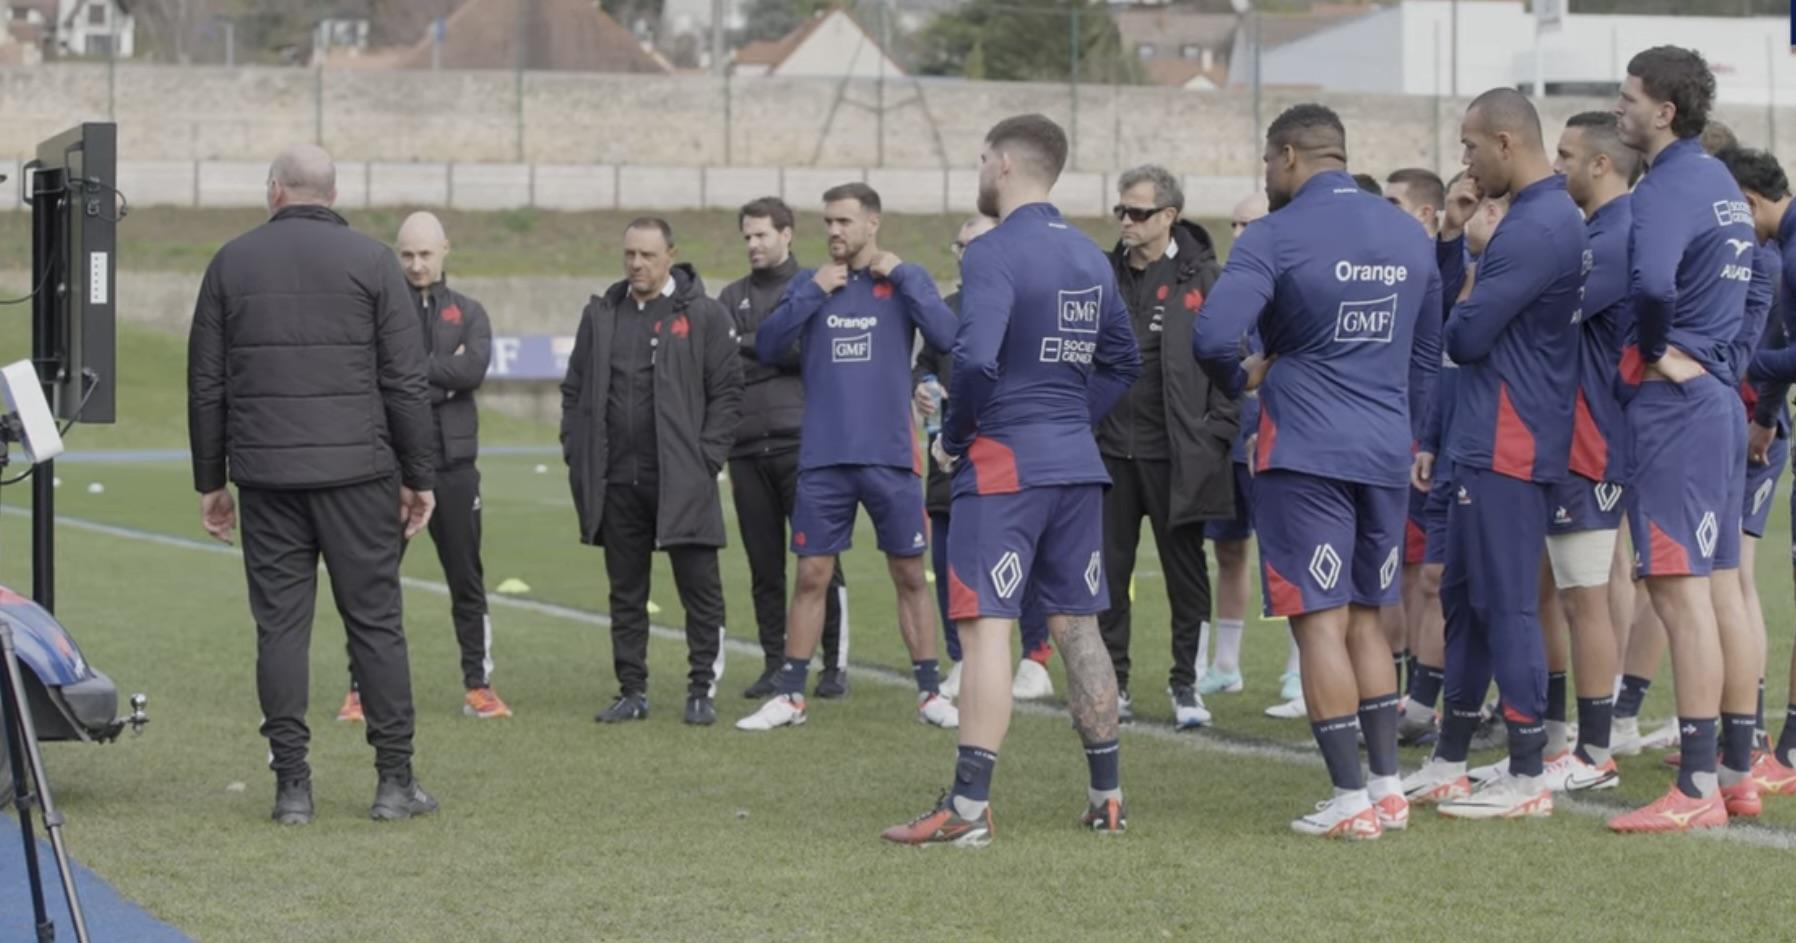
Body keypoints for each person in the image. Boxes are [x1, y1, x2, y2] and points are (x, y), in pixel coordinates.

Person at [881, 113, 1141, 845]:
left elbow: (975, 360)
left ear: (1001, 164)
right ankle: (1108, 795)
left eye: (980, 157)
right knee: (1077, 625)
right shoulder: (1092, 257)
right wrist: (1070, 419)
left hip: (1003, 467)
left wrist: (956, 437)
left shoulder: (995, 251)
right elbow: (1124, 363)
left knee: (987, 629)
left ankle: (966, 812)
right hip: (1073, 466)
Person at [1194, 103, 1440, 839]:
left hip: (1304, 450)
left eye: (1268, 163)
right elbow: (1426, 356)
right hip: (1384, 452)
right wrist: (1412, 433)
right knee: (1370, 614)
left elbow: (1212, 332)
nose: (1266, 177)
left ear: (1292, 155)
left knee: (1319, 622)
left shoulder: (1274, 233)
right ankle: (1388, 788)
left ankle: (1346, 797)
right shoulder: (1407, 231)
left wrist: (1241, 379)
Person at [188, 144, 441, 825]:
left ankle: (292, 786)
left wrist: (212, 481)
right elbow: (405, 380)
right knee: (377, 626)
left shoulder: (231, 263)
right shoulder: (372, 262)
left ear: (274, 190)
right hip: (359, 475)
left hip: (268, 479)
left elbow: (207, 384)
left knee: (280, 629)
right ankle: (394, 781)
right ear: (332, 193)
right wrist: (420, 476)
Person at [1400, 88, 1586, 820]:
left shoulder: (1537, 226)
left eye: (1472, 147)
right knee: (1465, 601)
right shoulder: (1528, 220)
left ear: (1507, 143)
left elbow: (1466, 336)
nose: (1466, 164)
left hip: (1513, 438)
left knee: (1507, 603)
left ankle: (1528, 771)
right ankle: (1450, 758)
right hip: (1486, 435)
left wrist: (1471, 285)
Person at [737, 184, 960, 732]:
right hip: (825, 458)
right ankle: (791, 695)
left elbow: (950, 336)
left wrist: (905, 275)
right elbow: (766, 346)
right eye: (827, 223)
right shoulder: (809, 285)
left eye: (843, 221)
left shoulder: (903, 281)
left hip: (889, 456)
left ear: (872, 223)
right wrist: (811, 291)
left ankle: (930, 692)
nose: (834, 232)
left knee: (909, 574)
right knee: (811, 574)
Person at [1604, 46, 1755, 833]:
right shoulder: (1720, 180)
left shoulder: (1666, 185)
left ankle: (1696, 785)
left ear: (1664, 111)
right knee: (1721, 584)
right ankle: (1735, 770)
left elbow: (1656, 282)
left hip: (1678, 406)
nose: (1618, 108)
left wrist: (1658, 350)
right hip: (1717, 400)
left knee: (1678, 590)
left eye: (1627, 98)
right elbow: (1752, 278)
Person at [1469, 112, 1637, 793]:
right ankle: (1560, 737)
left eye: (1566, 154)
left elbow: (1535, 311)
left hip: (1590, 436)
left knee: (1584, 595)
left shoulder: (1618, 236)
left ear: (1601, 163)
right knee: (1549, 591)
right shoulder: (1594, 231)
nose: (1556, 164)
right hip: (1561, 430)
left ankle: (1596, 753)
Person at [560, 218, 743, 727]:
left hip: (682, 480)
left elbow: (728, 392)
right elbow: (573, 390)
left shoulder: (703, 315)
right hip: (617, 481)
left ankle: (701, 688)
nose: (636, 264)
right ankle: (631, 690)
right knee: (626, 592)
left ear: (670, 256)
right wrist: (576, 450)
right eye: (629, 255)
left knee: (699, 590)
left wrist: (705, 458)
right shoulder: (602, 315)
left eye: (647, 255)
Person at [333, 212, 508, 725]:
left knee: (466, 580)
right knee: (373, 581)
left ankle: (479, 686)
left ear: (445, 251)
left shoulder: (470, 313)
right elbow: (370, 373)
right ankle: (359, 691)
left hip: (454, 468)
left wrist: (406, 373)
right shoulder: (377, 311)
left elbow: (471, 370)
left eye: (425, 254)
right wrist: (436, 374)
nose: (415, 264)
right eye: (406, 254)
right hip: (388, 469)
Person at [1098, 165, 1235, 729]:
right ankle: (1115, 685)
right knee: (1108, 574)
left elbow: (1230, 358)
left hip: (1179, 453)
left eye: (1139, 212)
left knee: (1187, 575)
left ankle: (1187, 684)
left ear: (1169, 216)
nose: (1127, 221)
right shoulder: (1100, 273)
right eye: (1121, 211)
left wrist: (1217, 431)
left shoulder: (1203, 277)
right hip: (1108, 452)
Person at [915, 214, 1058, 703]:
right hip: (950, 458)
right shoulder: (945, 311)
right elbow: (924, 369)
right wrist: (924, 389)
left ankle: (1035, 657)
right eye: (962, 246)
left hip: (1011, 456)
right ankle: (962, 658)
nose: (969, 254)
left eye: (979, 245)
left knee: (1026, 558)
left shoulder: (1027, 306)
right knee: (950, 556)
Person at [717, 197, 849, 701]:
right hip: (746, 448)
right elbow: (727, 361)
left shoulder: (815, 285)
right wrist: (768, 346)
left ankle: (833, 665)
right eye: (747, 236)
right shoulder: (731, 295)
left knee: (819, 561)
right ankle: (776, 662)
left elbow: (809, 352)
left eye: (761, 235)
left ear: (787, 234)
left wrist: (755, 345)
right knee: (763, 564)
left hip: (804, 445)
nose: (753, 244)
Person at [1211, 191, 1308, 717]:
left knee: (1287, 558)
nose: (1238, 233)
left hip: (1276, 440)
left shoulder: (1291, 283)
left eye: (1247, 223)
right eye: (1233, 224)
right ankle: (1225, 666)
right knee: (1228, 552)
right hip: (1229, 440)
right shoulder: (1232, 285)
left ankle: (1298, 670)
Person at [1720, 146, 1796, 796]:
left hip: (1755, 431)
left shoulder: (1780, 255)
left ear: (1746, 201)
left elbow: (1779, 353)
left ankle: (1763, 741)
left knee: (1735, 579)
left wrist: (1743, 370)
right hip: (1760, 424)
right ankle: (1763, 739)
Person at [1398, 172, 1480, 743]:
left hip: (1503, 448)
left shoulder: (1530, 268)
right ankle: (1423, 707)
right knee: (1432, 576)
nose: (1474, 216)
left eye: (1481, 208)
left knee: (1501, 589)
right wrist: (1429, 440)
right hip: (1446, 444)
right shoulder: (1442, 271)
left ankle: (1531, 722)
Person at [1382, 166, 1449, 732]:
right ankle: (1408, 694)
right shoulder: (1392, 268)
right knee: (1403, 573)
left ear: (1426, 213)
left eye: (1394, 202)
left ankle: (1435, 699)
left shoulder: (1446, 267)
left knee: (1434, 576)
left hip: (1435, 439)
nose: (1383, 212)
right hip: (1396, 432)